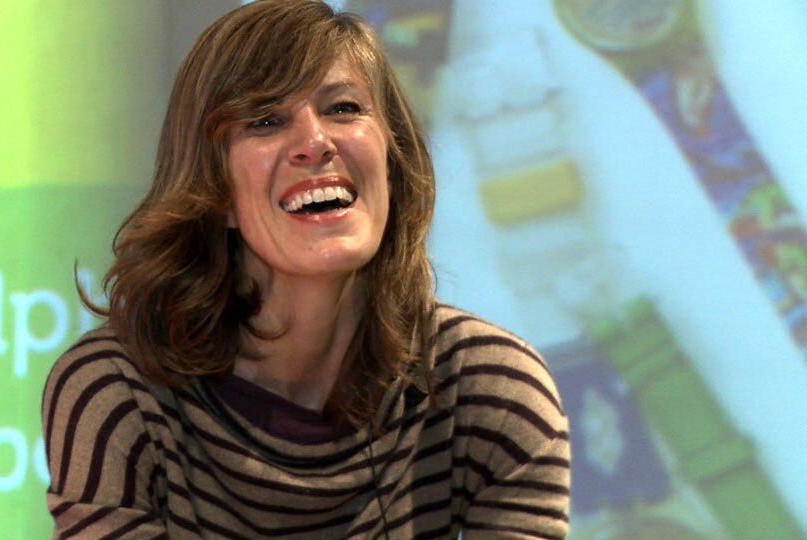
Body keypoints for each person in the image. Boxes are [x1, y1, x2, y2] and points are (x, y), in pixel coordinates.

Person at [41, 0, 570, 538]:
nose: (315, 143)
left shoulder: (492, 389)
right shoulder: (117, 392)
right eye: (266, 120)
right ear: (214, 191)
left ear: (392, 161)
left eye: (343, 108)